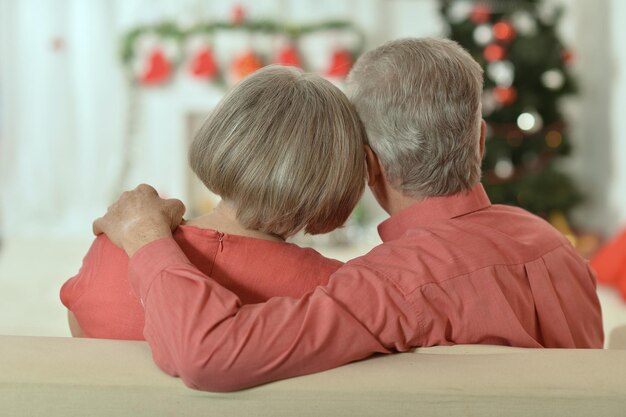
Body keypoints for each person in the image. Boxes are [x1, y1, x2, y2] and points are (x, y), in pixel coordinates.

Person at [94, 38, 604, 392]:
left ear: (368, 165)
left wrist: (144, 235)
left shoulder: (391, 288)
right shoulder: (557, 247)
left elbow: (205, 355)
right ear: (480, 139)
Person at [60, 65, 367, 339]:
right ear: (340, 175)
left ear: (224, 135)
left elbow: (80, 330)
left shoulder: (118, 243)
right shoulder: (334, 290)